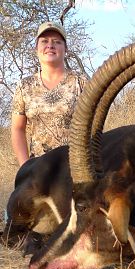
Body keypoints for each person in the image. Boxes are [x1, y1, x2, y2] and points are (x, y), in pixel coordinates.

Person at [11, 21, 88, 166]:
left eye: (57, 42)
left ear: (66, 49)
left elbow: (95, 124)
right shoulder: (24, 86)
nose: (50, 46)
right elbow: (17, 128)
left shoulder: (81, 81)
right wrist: (25, 168)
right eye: (44, 41)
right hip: (39, 171)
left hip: (77, 167)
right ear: (36, 48)